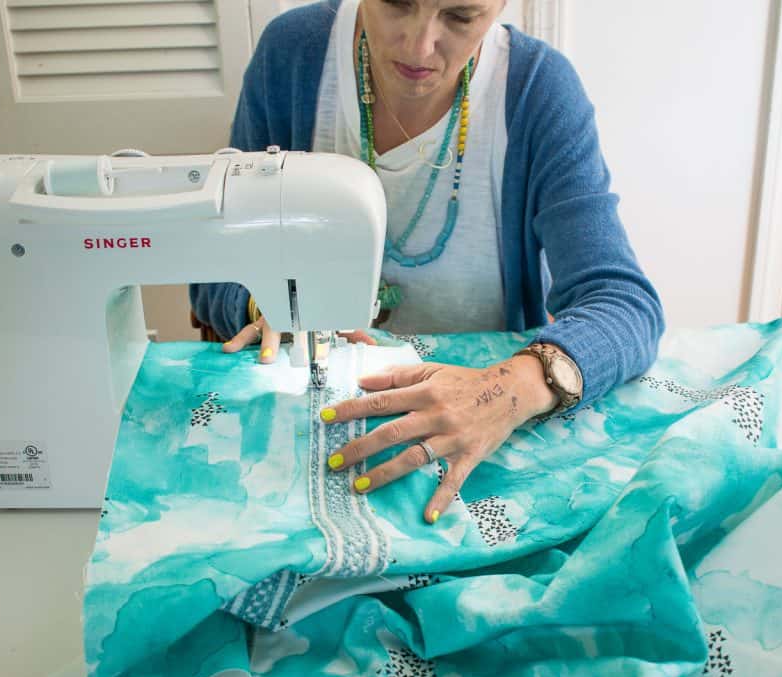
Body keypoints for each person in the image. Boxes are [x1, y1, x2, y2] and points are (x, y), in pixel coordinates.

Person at [190, 0, 664, 524]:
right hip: (310, 433)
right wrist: (261, 302)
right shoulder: (293, 55)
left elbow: (624, 305)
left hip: (474, 438)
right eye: (397, 2)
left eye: (460, 18)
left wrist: (512, 388)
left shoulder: (537, 89)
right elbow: (212, 259)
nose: (420, 46)